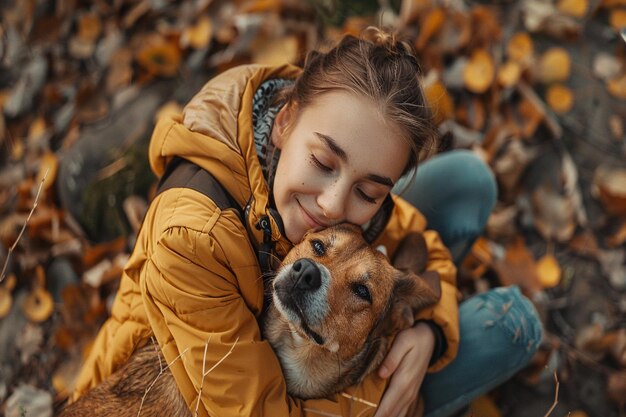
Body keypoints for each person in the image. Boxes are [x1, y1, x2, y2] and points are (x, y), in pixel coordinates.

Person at [67, 27, 543, 417]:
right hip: (228, 397)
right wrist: (389, 396)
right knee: (513, 324)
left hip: (317, 351)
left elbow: (422, 249)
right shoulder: (191, 237)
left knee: (468, 181)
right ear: (285, 121)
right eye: (323, 161)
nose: (333, 206)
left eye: (369, 191)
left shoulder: (328, 218)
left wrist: (428, 333)